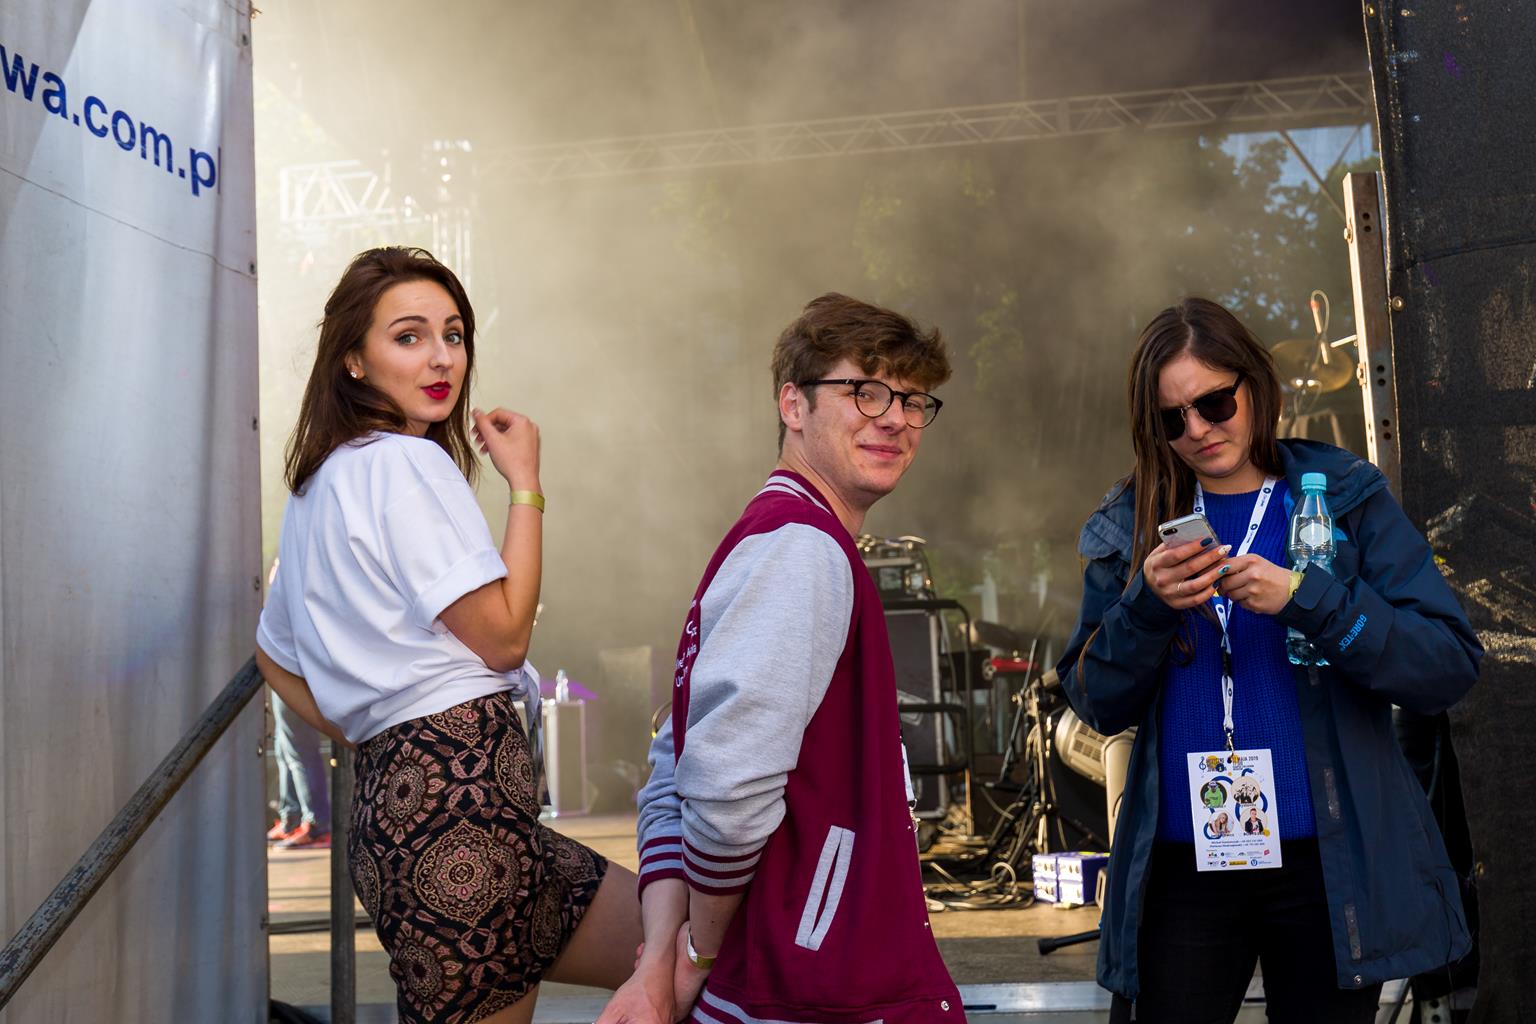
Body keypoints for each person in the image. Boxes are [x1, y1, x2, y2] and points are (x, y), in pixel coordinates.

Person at [1055, 297, 1481, 1024]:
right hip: (1186, 866)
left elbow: (1446, 665)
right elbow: (1095, 700)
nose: (1197, 430)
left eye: (1214, 403)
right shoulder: (1131, 519)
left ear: (1254, 385)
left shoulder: (1343, 496)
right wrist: (1148, 607)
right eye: (1172, 418)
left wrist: (1312, 600)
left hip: (1327, 867)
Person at [255, 247, 643, 1024]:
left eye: (454, 334)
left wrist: (373, 725)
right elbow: (503, 639)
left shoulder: (315, 487)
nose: (441, 357)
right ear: (353, 360)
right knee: (693, 949)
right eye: (409, 336)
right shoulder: (405, 463)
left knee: (685, 944)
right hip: (461, 810)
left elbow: (272, 653)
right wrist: (526, 484)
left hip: (426, 805)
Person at [601, 294, 965, 1024]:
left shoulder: (772, 535)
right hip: (807, 992)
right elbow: (725, 794)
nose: (895, 417)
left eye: (911, 399)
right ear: (793, 405)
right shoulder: (801, 549)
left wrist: (664, 955)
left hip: (779, 982)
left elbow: (673, 763)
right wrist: (696, 953)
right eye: (865, 391)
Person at [264, 559, 333, 850]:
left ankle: (316, 823)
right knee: (285, 748)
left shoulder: (302, 570)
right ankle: (292, 815)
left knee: (300, 750)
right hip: (287, 666)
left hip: (296, 670)